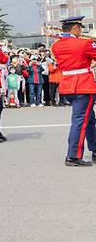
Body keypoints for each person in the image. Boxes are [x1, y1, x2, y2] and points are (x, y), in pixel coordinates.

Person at [50, 16, 96, 166]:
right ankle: (73, 156)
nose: (81, 31)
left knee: (88, 119)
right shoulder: (84, 43)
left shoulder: (56, 46)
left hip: (68, 85)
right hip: (83, 85)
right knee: (80, 121)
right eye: (80, 28)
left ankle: (94, 148)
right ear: (75, 27)